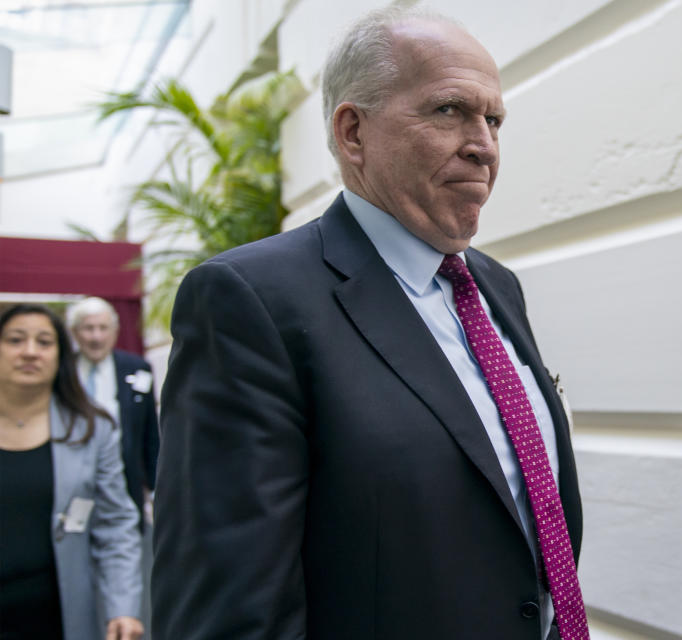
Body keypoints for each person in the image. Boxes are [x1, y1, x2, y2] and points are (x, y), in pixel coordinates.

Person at [152, 8, 587, 640]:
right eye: (449, 111)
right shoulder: (250, 302)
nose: (484, 146)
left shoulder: (496, 286)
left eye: (493, 120)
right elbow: (230, 613)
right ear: (353, 132)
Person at [0, 304, 144, 640]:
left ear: (61, 356)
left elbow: (116, 525)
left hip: (59, 614)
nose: (30, 352)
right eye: (15, 340)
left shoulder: (93, 431)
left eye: (45, 342)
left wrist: (123, 606)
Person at [66, 297, 159, 529]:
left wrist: (157, 488)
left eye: (103, 328)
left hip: (124, 483)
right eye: (88, 328)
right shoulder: (61, 371)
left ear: (115, 331)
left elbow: (149, 433)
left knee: (127, 548)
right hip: (72, 484)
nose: (96, 337)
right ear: (75, 333)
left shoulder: (137, 369)